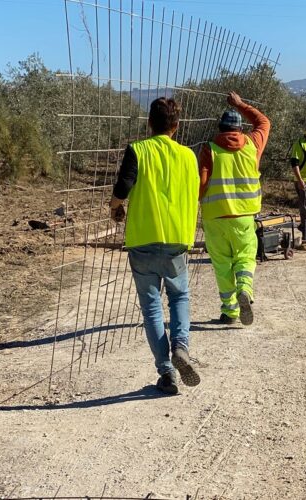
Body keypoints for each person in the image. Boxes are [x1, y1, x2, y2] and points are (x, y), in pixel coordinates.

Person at [108, 97, 201, 395]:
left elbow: (123, 187)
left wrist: (115, 208)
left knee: (151, 308)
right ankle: (182, 346)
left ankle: (166, 371)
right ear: (177, 125)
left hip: (142, 240)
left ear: (149, 122)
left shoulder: (138, 150)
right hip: (177, 239)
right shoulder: (189, 156)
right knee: (179, 297)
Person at [198, 91, 271, 325]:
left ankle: (229, 311)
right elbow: (263, 122)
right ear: (240, 129)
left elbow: (201, 183)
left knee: (221, 265)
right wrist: (240, 105)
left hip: (215, 218)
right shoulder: (252, 144)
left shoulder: (209, 149)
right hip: (244, 217)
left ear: (220, 128)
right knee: (245, 257)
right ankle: (245, 291)